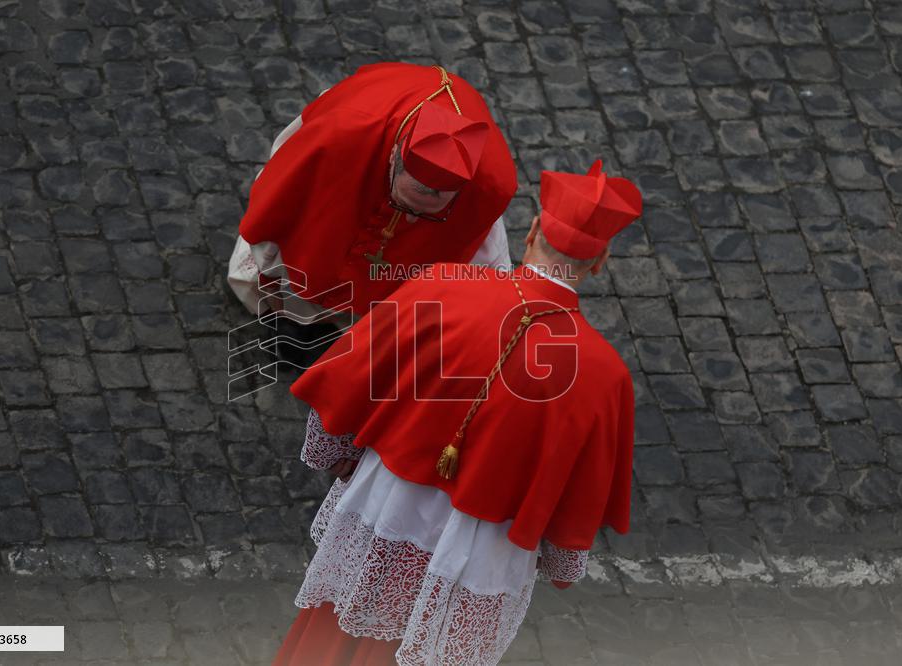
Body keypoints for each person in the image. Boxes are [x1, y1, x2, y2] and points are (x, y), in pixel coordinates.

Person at [272, 160, 643, 665]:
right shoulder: (605, 376)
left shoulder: (443, 285)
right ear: (600, 260)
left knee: (335, 642)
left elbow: (350, 376)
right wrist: (557, 562)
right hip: (482, 554)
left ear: (533, 230)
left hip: (389, 510)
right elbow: (580, 501)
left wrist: (336, 454)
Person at [227, 62, 517, 366]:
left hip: (390, 287)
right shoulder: (340, 131)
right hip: (337, 209)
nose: (412, 220)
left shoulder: (490, 184)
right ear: (393, 158)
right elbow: (280, 193)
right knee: (305, 273)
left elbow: (484, 266)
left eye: (429, 214)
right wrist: (270, 273)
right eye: (405, 205)